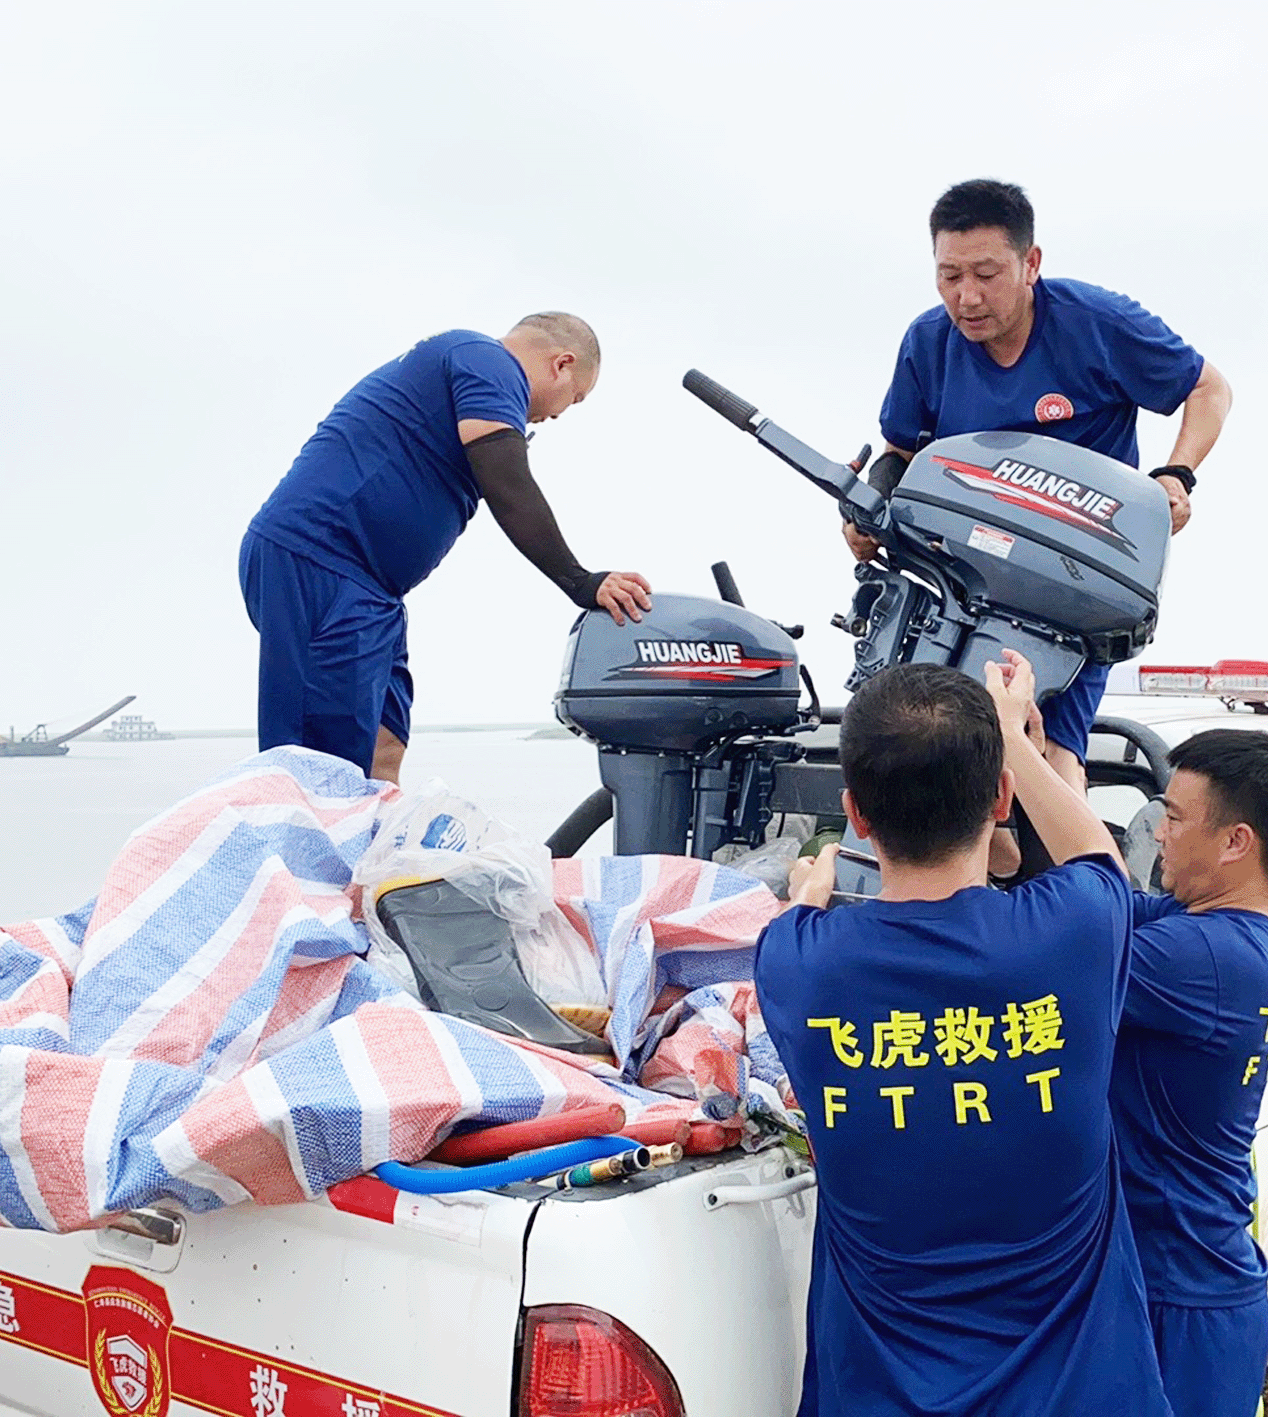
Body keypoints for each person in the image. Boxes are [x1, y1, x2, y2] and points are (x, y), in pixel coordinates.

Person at [754, 660, 1170, 1416]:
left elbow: (792, 931)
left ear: (856, 813)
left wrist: (804, 898)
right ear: (1002, 796)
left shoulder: (796, 961)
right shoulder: (1077, 930)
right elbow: (1095, 857)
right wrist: (1013, 734)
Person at [994, 653, 1268, 1415]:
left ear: (1235, 841)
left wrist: (1008, 743)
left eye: (1172, 817)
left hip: (1180, 1300)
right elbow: (1102, 880)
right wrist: (1045, 757)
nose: (1157, 833)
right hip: (1182, 1277)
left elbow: (1087, 908)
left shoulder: (1206, 960)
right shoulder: (1231, 929)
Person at [845, 178, 1232, 797]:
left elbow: (1209, 388)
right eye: (949, 276)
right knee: (926, 749)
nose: (967, 297)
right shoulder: (927, 342)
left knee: (1047, 753)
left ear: (1031, 264)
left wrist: (1176, 473)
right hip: (966, 585)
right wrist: (866, 513)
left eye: (986, 274)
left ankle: (1077, 858)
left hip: (1072, 596)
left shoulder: (1096, 322)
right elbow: (899, 453)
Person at [239, 314, 653, 784]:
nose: (558, 416)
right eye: (574, 398)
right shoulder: (487, 361)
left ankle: (377, 834)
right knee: (319, 763)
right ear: (562, 364)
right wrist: (580, 581)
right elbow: (508, 486)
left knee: (383, 747)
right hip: (322, 561)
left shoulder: (476, 370)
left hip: (374, 589)